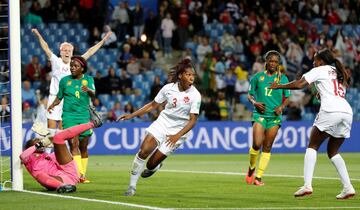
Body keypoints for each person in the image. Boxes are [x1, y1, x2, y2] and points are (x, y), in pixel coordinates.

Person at [270, 48, 356, 199]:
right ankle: (348, 187)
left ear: (321, 61)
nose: (313, 62)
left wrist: (279, 86)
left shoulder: (320, 69)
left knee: (312, 146)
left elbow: (299, 84)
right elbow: (335, 92)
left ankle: (307, 185)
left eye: (315, 59)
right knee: (333, 152)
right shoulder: (339, 72)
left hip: (330, 111)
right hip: (347, 112)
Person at [32, 28, 111, 182]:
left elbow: (91, 51)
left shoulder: (77, 62)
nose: (67, 52)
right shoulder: (55, 61)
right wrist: (38, 35)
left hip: (72, 103)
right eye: (64, 50)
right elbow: (45, 47)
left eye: (69, 49)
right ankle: (48, 163)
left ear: (73, 51)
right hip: (57, 99)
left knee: (65, 138)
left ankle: (72, 170)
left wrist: (103, 41)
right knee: (51, 133)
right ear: (60, 51)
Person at [119, 58, 201, 196]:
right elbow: (152, 105)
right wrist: (132, 115)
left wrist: (177, 136)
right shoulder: (168, 89)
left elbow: (193, 121)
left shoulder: (195, 95)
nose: (192, 77)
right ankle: (132, 187)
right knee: (143, 150)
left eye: (193, 75)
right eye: (188, 74)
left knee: (150, 164)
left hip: (178, 131)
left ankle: (154, 167)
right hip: (163, 123)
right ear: (180, 75)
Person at [20, 109, 102, 193]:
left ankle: (93, 123)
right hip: (57, 181)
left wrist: (53, 142)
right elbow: (22, 156)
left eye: (39, 139)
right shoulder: (29, 159)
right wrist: (39, 145)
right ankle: (64, 186)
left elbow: (65, 159)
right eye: (36, 140)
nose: (39, 140)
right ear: (30, 146)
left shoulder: (48, 155)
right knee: (40, 175)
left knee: (58, 138)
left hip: (69, 175)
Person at [246, 50, 291, 186]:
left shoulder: (283, 79)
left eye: (276, 62)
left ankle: (258, 177)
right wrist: (255, 103)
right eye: (270, 61)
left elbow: (287, 97)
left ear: (278, 64)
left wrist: (282, 107)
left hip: (274, 117)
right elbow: (250, 95)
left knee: (268, 146)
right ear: (266, 62)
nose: (273, 63)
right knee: (256, 144)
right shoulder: (257, 77)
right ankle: (251, 168)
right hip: (260, 114)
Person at [47, 56, 95, 183]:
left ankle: (83, 172)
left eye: (75, 66)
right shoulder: (64, 81)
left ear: (82, 68)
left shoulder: (88, 79)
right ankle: (79, 175)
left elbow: (93, 94)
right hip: (68, 116)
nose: (72, 68)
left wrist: (88, 89)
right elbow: (59, 97)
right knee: (73, 144)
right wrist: (52, 104)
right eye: (71, 66)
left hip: (83, 115)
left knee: (83, 146)